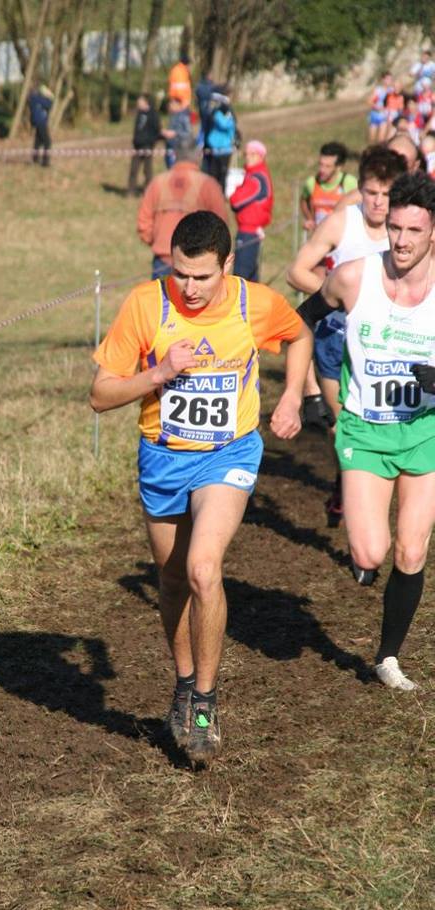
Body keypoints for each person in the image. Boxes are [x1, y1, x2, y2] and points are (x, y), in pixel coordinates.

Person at [90, 211, 313, 763]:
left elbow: (299, 333)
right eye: (180, 273)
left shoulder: (253, 302)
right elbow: (100, 394)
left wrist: (290, 398)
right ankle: (185, 683)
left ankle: (207, 703)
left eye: (201, 277)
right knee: (171, 581)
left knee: (202, 569)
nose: (189, 288)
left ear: (227, 265)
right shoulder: (147, 304)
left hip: (228, 453)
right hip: (163, 458)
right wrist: (159, 373)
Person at [298, 172, 435, 692]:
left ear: (433, 232)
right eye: (394, 228)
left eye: (413, 231)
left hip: (425, 430)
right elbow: (301, 322)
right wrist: (300, 390)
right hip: (365, 430)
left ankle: (388, 658)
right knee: (369, 554)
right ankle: (367, 561)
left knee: (412, 551)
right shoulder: (354, 278)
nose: (401, 240)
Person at [288, 145, 407, 525]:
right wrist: (339, 293)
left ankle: (360, 487)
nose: (377, 202)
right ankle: (353, 495)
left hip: (390, 343)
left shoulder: (410, 230)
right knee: (345, 425)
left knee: (385, 425)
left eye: (387, 195)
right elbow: (297, 271)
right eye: (371, 192)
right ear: (361, 188)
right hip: (336, 340)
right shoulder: (343, 222)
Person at [137, 139, 228, 279]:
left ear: (174, 156)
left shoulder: (157, 182)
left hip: (162, 259)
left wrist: (157, 241)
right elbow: (221, 227)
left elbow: (144, 220)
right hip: (198, 265)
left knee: (160, 300)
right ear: (198, 155)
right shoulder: (208, 185)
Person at [229, 139, 273, 282]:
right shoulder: (254, 175)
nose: (247, 157)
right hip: (251, 231)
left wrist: (235, 189)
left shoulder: (256, 179)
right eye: (246, 154)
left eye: (252, 154)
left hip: (248, 232)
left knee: (241, 277)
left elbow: (235, 201)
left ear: (260, 156)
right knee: (251, 278)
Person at [300, 142, 358, 232]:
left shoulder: (349, 183)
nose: (322, 170)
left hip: (342, 239)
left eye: (327, 166)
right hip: (319, 239)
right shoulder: (311, 183)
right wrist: (310, 219)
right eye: (320, 164)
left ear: (338, 167)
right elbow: (303, 200)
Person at [127, 93, 162, 195]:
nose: (138, 103)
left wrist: (151, 142)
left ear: (146, 102)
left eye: (140, 101)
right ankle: (131, 190)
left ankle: (148, 192)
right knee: (133, 169)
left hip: (147, 146)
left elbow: (157, 130)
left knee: (147, 171)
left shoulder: (153, 114)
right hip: (137, 146)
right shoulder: (139, 114)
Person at [206, 91, 235, 193]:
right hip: (215, 149)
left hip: (225, 149)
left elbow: (224, 125)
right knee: (213, 175)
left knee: (222, 175)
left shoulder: (226, 115)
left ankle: (221, 196)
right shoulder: (215, 113)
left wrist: (218, 114)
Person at [28, 82, 54, 167]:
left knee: (38, 141)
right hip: (41, 122)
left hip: (37, 122)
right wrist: (48, 94)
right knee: (47, 142)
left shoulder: (32, 99)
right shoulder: (38, 99)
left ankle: (35, 159)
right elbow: (50, 103)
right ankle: (45, 162)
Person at [163, 96, 191, 169]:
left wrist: (175, 133)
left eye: (172, 104)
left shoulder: (184, 117)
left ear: (178, 105)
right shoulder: (172, 116)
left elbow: (188, 133)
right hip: (170, 148)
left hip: (179, 149)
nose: (170, 106)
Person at [368, 72, 393, 142]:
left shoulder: (391, 90)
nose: (390, 81)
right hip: (375, 114)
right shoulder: (378, 90)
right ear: (383, 80)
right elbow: (369, 101)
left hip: (384, 116)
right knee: (371, 139)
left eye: (391, 79)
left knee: (381, 139)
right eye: (388, 79)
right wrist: (377, 107)